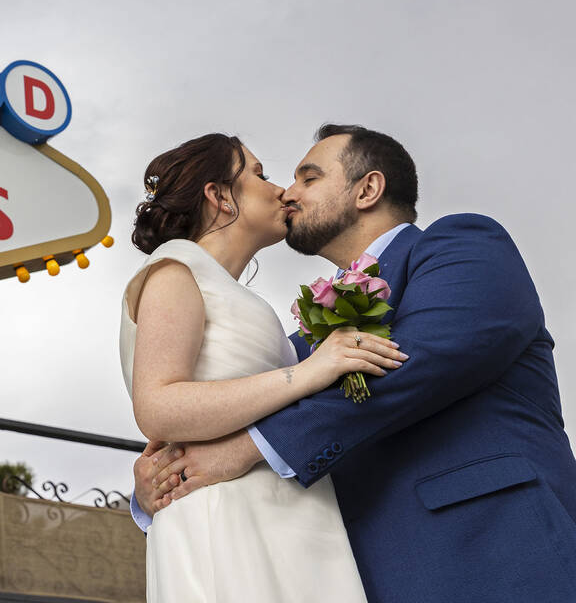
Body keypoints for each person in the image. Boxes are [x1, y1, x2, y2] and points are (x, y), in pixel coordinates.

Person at [131, 125, 576, 603]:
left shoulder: (460, 247)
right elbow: (236, 399)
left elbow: (420, 363)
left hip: (489, 552)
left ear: (368, 189)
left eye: (309, 178)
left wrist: (249, 447)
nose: (287, 191)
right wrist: (160, 478)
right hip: (352, 574)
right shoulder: (301, 345)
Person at [121, 132, 405, 602]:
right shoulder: (175, 269)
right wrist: (310, 372)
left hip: (288, 516)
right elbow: (158, 405)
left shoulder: (233, 294)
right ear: (218, 195)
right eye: (259, 174)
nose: (282, 191)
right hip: (230, 518)